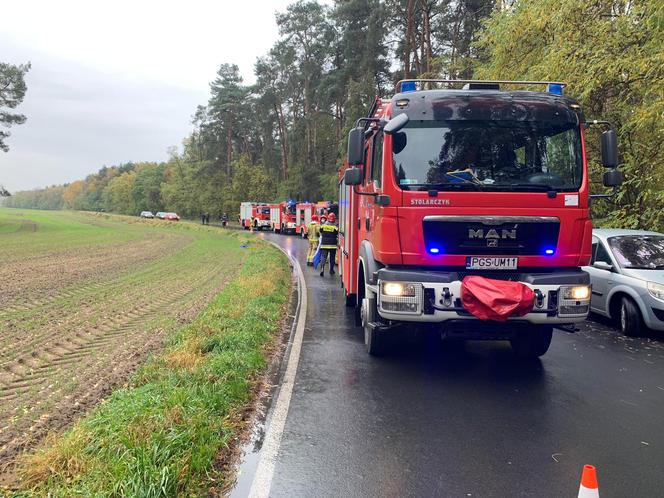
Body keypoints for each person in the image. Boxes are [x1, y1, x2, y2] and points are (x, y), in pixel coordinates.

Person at [319, 212, 338, 277]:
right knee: (332, 258)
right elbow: (337, 233)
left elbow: (320, 230)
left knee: (323, 257)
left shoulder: (323, 225)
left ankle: (322, 268)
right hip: (333, 245)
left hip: (324, 244)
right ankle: (331, 270)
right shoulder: (335, 227)